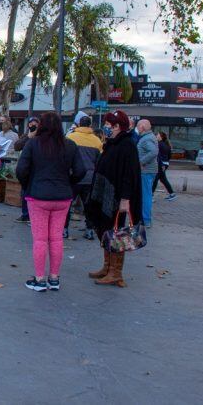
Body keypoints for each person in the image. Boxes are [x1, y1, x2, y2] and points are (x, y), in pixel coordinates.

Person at [17, 112, 85, 291]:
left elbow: (21, 169)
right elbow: (81, 170)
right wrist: (68, 183)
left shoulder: (33, 144)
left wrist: (28, 185)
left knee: (40, 239)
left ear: (41, 125)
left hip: (38, 196)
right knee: (56, 239)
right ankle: (54, 278)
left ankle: (39, 279)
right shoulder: (70, 145)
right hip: (62, 197)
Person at [86, 110, 143, 288]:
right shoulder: (112, 143)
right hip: (105, 195)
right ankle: (107, 267)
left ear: (118, 126)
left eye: (109, 125)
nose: (106, 128)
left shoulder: (127, 145)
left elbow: (130, 175)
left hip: (117, 197)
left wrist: (126, 199)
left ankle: (115, 273)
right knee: (105, 230)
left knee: (116, 232)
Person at [66, 115, 103, 240]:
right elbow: (99, 162)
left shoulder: (70, 137)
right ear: (90, 125)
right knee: (89, 206)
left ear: (78, 125)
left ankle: (64, 229)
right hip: (89, 178)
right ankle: (89, 230)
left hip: (73, 177)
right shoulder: (97, 141)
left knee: (67, 204)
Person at [14, 116, 39, 223]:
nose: (33, 126)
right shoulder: (26, 135)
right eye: (31, 124)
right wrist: (28, 137)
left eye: (35, 124)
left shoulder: (41, 136)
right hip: (26, 168)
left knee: (35, 193)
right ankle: (25, 214)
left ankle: (34, 216)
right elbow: (17, 146)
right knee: (24, 192)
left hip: (37, 168)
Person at [136, 119, 158, 227]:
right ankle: (144, 218)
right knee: (146, 194)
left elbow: (153, 152)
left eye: (138, 126)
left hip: (146, 171)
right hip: (149, 170)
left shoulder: (146, 139)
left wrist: (141, 162)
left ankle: (145, 219)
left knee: (145, 195)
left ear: (143, 127)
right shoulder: (149, 137)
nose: (137, 128)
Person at [153, 131, 177, 201]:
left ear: (161, 136)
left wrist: (161, 163)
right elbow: (169, 156)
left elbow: (157, 155)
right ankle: (172, 194)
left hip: (161, 164)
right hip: (166, 163)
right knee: (163, 179)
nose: (156, 136)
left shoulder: (158, 144)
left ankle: (151, 195)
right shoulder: (167, 145)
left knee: (155, 179)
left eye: (157, 135)